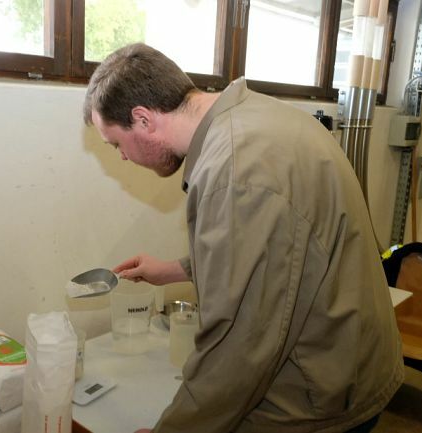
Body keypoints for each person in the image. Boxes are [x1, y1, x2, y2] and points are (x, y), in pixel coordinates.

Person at [83, 43, 404, 433]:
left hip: (321, 394)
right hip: (351, 355)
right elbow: (279, 248)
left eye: (117, 143)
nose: (122, 157)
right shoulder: (257, 115)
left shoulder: (235, 172)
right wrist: (174, 270)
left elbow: (237, 351)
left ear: (143, 119)